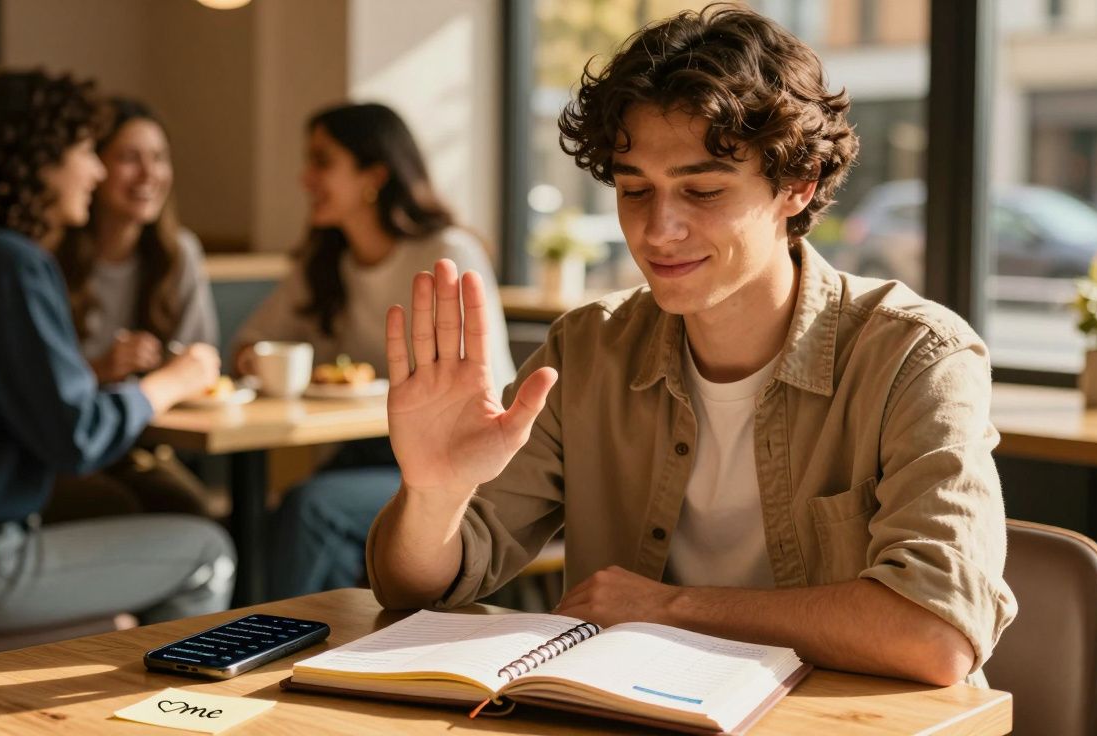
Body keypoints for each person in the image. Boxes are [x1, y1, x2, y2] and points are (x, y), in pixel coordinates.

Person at [367, 5, 1017, 688]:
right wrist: (433, 495)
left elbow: (935, 634)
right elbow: (411, 589)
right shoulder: (588, 350)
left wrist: (666, 609)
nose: (658, 230)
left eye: (702, 190)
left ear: (796, 185)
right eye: (634, 190)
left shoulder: (915, 356)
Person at [0, 71, 235, 633]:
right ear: (38, 159)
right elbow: (77, 438)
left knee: (133, 512)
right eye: (86, 150)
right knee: (207, 550)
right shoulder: (12, 265)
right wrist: (172, 382)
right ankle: (166, 714)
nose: (98, 170)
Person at [232, 102, 515, 599]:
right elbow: (248, 344)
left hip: (460, 459)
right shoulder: (326, 261)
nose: (305, 178)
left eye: (322, 161)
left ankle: (268, 640)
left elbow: (490, 386)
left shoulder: (447, 253)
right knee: (279, 518)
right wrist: (265, 361)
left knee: (311, 509)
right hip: (366, 453)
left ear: (374, 175)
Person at [49, 97, 219, 521]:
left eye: (159, 158)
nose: (149, 174)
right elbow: (36, 388)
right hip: (62, 450)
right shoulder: (48, 259)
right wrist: (99, 368)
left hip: (143, 446)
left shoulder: (178, 254)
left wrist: (182, 369)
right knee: (123, 508)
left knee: (192, 511)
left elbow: (200, 366)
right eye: (129, 158)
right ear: (95, 168)